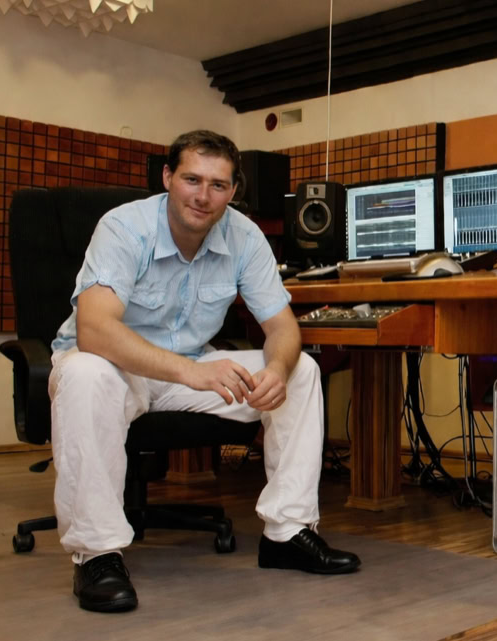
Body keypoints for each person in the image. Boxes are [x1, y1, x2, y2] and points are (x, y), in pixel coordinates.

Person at [49, 130, 359, 613]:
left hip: (189, 366)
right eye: (192, 179)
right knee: (84, 373)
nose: (203, 195)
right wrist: (189, 373)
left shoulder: (244, 236)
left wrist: (277, 367)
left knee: (300, 371)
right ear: (167, 178)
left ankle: (287, 533)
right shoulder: (124, 227)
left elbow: (282, 327)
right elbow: (94, 330)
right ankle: (98, 555)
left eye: (217, 185)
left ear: (232, 191)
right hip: (113, 367)